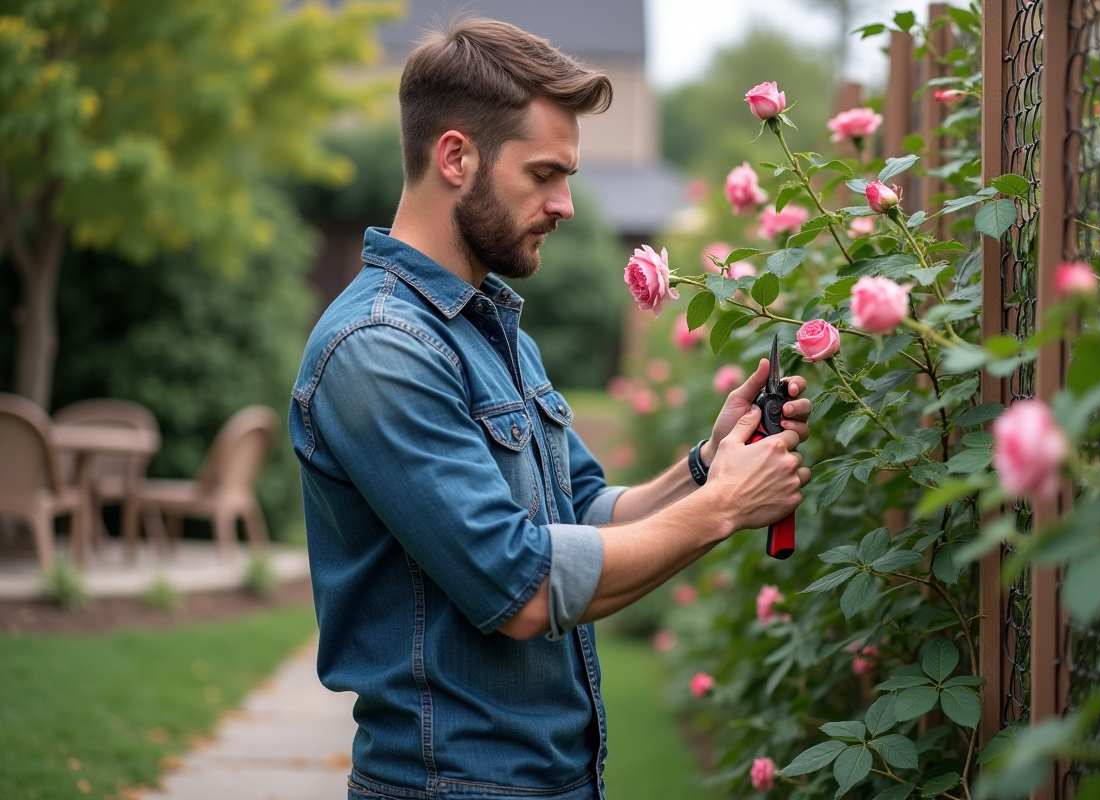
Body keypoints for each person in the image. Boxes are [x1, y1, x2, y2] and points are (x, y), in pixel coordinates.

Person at [289, 18, 813, 800]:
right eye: (543, 174)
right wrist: (725, 510)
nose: (566, 204)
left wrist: (706, 468)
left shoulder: (490, 327)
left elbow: (581, 515)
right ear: (456, 158)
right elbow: (523, 589)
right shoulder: (378, 351)